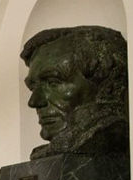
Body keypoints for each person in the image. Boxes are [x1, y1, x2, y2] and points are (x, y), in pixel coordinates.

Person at [22, 26, 128, 159]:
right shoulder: (55, 150)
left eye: (53, 83)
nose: (34, 102)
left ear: (103, 82)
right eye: (33, 88)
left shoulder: (110, 136)